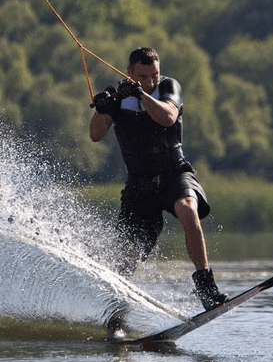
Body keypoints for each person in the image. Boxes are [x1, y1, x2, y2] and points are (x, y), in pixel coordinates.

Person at [89, 47, 227, 313]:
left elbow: (168, 117)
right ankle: (117, 311)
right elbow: (95, 135)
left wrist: (140, 93)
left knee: (188, 209)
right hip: (139, 184)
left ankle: (207, 289)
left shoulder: (168, 87)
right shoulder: (117, 95)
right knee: (127, 255)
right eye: (143, 76)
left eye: (154, 74)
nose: (151, 81)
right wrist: (103, 108)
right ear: (130, 72)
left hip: (174, 172)